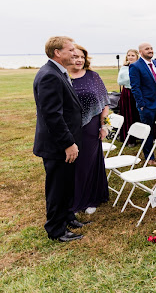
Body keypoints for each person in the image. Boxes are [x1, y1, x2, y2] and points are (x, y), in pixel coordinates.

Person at [33, 36, 88, 242]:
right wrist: (68, 144)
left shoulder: (58, 72)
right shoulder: (50, 76)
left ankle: (67, 217)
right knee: (57, 187)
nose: (75, 53)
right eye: (71, 49)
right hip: (58, 146)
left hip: (65, 143)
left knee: (66, 184)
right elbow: (52, 115)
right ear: (58, 53)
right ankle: (56, 230)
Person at [66, 44, 110, 215]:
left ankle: (91, 199)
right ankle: (73, 200)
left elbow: (105, 103)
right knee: (71, 165)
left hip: (91, 128)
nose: (79, 60)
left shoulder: (93, 76)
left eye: (82, 57)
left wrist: (104, 126)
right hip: (68, 128)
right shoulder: (62, 76)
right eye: (75, 56)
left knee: (87, 164)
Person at [129, 42, 156, 166]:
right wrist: (142, 104)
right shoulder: (135, 66)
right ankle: (149, 157)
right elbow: (135, 87)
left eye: (151, 48)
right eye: (147, 49)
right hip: (147, 105)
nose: (150, 50)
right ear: (141, 52)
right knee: (148, 131)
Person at [117, 49, 141, 145]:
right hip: (127, 93)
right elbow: (120, 81)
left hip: (138, 93)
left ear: (137, 57)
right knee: (128, 115)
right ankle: (129, 138)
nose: (130, 57)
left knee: (138, 114)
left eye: (132, 55)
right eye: (129, 55)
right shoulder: (124, 68)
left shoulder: (140, 67)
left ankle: (140, 136)